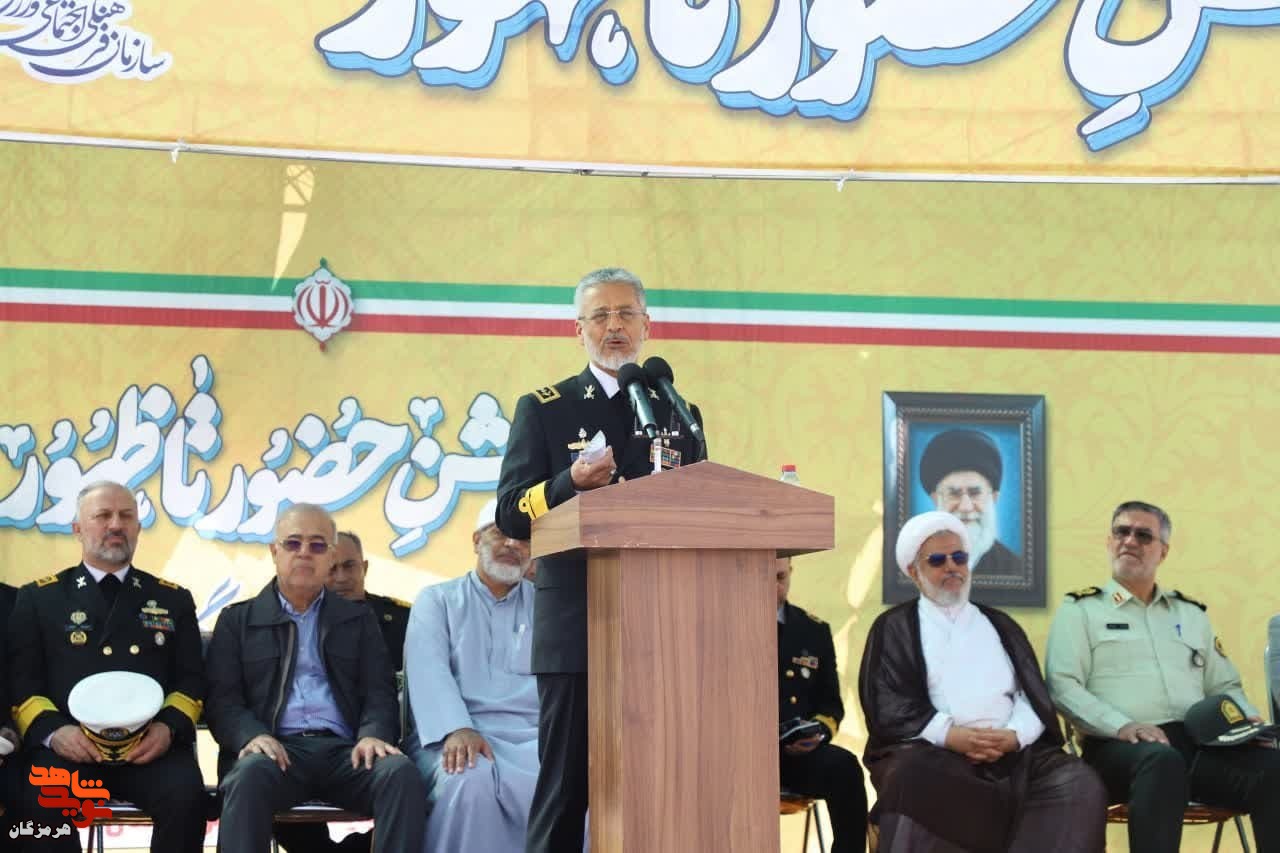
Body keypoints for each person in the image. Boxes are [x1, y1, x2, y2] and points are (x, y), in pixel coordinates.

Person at [495, 267, 705, 853]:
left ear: (647, 325)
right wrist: (570, 482)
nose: (615, 327)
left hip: (661, 626)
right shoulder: (546, 407)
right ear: (579, 329)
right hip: (577, 629)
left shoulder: (678, 411)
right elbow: (510, 512)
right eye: (601, 316)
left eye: (626, 314)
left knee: (655, 791)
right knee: (566, 792)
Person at [859, 511, 1105, 852]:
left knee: (1077, 781)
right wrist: (951, 735)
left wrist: (1015, 736)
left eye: (959, 557)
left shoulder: (1000, 624)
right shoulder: (895, 626)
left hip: (1012, 754)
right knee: (909, 774)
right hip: (934, 752)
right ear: (914, 572)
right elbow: (888, 702)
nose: (952, 567)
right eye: (937, 560)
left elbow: (1032, 697)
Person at [1046, 500, 1280, 853]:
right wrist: (1122, 726)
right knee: (1161, 761)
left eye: (1143, 535)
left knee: (1273, 767)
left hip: (1194, 746)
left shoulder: (1191, 614)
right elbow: (1062, 686)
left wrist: (1245, 725)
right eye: (1121, 532)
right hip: (1116, 749)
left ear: (1163, 551)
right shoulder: (1081, 611)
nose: (1130, 541)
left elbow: (1224, 685)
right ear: (1109, 541)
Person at [205, 503, 425, 853]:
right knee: (248, 777)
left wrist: (373, 734)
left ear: (330, 556)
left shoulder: (358, 619)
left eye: (318, 545)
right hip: (275, 752)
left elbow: (379, 692)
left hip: (346, 752)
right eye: (293, 543)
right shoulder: (238, 621)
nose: (305, 552)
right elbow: (223, 700)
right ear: (274, 552)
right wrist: (252, 735)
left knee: (400, 775)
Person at [5, 481, 208, 853]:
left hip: (150, 750)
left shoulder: (172, 599)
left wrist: (167, 728)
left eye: (126, 516)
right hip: (68, 750)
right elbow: (22, 683)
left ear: (138, 528)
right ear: (78, 529)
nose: (116, 524)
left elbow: (191, 680)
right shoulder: (39, 598)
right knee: (39, 801)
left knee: (188, 798)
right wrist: (55, 733)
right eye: (103, 515)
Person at [404, 497, 539, 853]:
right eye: (499, 533)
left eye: (522, 538)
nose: (511, 544)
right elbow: (427, 669)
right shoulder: (437, 600)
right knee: (468, 780)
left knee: (575, 781)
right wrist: (457, 727)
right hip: (455, 734)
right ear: (476, 541)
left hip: (535, 738)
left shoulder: (547, 605)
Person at [775, 558, 867, 852]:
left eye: (780, 577)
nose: (773, 587)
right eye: (763, 577)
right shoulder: (723, 624)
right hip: (736, 755)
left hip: (793, 756)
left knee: (845, 768)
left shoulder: (813, 631)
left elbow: (830, 705)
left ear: (791, 573)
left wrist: (816, 734)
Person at [919, 428, 1019, 575]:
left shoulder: (1016, 569)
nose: (965, 507)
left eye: (975, 493)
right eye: (954, 493)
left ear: (994, 498)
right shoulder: (915, 564)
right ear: (935, 499)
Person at [326, 531, 411, 672]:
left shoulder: (404, 621)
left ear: (364, 568)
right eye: (331, 569)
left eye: (349, 566)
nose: (341, 578)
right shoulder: (303, 625)